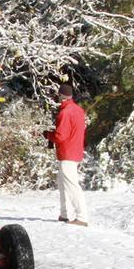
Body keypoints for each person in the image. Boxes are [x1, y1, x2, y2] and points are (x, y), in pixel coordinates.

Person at [43, 84, 88, 226]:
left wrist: (48, 135)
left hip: (67, 152)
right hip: (75, 151)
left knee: (71, 185)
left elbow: (60, 135)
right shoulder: (79, 110)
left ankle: (82, 217)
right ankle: (64, 214)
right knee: (63, 184)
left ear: (61, 95)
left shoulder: (65, 112)